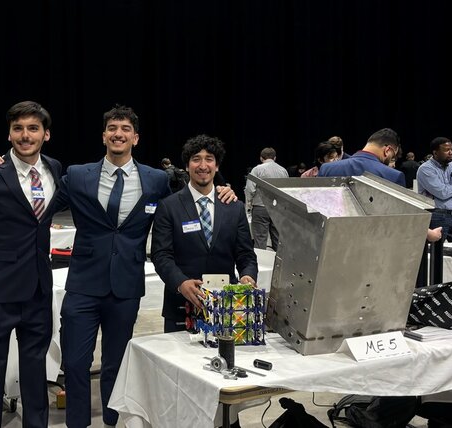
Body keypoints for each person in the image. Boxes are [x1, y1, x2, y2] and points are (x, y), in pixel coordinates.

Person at [52, 105, 237, 428]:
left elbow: (185, 204)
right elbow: (40, 203)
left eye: (125, 129)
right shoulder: (79, 174)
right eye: (112, 128)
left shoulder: (155, 180)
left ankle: (113, 421)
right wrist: (4, 170)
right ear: (103, 135)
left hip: (125, 286)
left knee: (116, 364)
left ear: (135, 138)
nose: (118, 134)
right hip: (83, 284)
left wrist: (223, 189)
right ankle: (77, 423)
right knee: (76, 363)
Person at [0, 101, 62, 427]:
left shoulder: (54, 168)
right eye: (18, 128)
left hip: (38, 291)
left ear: (46, 134)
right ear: (9, 134)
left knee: (35, 372)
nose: (25, 135)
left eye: (33, 128)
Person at [151, 134, 258, 332]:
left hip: (227, 305)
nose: (203, 166)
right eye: (196, 159)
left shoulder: (234, 207)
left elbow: (246, 254)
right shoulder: (169, 206)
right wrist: (180, 283)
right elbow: (161, 255)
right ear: (186, 166)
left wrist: (247, 277)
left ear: (217, 166)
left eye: (209, 159)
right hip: (182, 306)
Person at [416, 137, 452, 241]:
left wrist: (449, 190)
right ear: (435, 153)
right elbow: (442, 193)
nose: (451, 153)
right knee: (437, 249)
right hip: (437, 215)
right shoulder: (425, 169)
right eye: (446, 150)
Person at [318, 128, 405, 186]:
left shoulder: (326, 169)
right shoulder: (395, 177)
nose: (392, 160)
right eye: (393, 156)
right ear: (387, 150)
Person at [244, 147, 288, 250]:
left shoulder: (257, 169)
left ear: (261, 158)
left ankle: (260, 261)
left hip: (260, 207)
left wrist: (249, 204)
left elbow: (250, 189)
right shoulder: (283, 171)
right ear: (275, 158)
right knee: (278, 240)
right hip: (278, 209)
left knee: (260, 240)